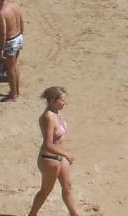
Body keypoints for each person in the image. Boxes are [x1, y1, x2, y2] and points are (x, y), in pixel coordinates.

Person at [26, 86, 82, 216]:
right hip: (49, 159)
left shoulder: (57, 112)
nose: (65, 103)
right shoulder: (48, 118)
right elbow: (48, 145)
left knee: (67, 187)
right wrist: (66, 154)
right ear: (52, 101)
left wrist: (63, 155)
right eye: (62, 100)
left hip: (60, 157)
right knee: (46, 191)